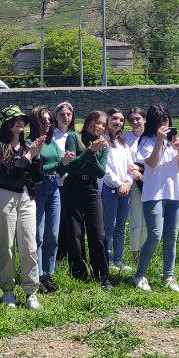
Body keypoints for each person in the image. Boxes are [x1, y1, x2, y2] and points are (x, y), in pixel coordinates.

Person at [0, 105, 45, 309]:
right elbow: (10, 171)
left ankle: (31, 292)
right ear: (6, 123)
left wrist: (36, 156)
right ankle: (8, 290)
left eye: (23, 120)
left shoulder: (28, 146)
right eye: (16, 119)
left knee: (29, 244)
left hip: (26, 197)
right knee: (6, 245)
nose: (21, 122)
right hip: (3, 196)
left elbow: (37, 176)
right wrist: (29, 156)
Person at [133, 104, 179, 293]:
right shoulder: (146, 141)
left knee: (171, 236)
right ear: (152, 123)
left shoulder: (173, 141)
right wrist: (159, 140)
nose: (163, 125)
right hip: (153, 194)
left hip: (174, 194)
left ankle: (168, 276)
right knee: (155, 234)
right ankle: (140, 275)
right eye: (159, 121)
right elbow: (152, 163)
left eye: (165, 120)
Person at [59, 110, 112, 287]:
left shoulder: (103, 145)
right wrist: (90, 151)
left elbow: (100, 172)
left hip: (91, 188)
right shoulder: (74, 137)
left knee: (98, 233)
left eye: (104, 124)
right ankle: (79, 274)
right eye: (98, 122)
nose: (101, 127)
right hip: (73, 187)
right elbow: (71, 166)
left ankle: (103, 275)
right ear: (89, 121)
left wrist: (92, 153)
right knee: (75, 233)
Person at [33, 103, 77, 293]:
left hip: (54, 190)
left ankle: (48, 274)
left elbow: (60, 169)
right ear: (35, 121)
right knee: (38, 234)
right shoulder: (32, 142)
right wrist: (59, 164)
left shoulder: (51, 143)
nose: (48, 123)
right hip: (38, 190)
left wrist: (65, 162)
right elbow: (36, 170)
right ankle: (36, 275)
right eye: (43, 120)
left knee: (52, 234)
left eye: (49, 120)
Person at [99, 108, 135, 272]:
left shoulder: (123, 142)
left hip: (125, 190)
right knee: (109, 227)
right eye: (114, 118)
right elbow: (105, 168)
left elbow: (130, 166)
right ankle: (107, 260)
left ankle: (118, 260)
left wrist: (127, 182)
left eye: (121, 120)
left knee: (120, 226)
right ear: (107, 119)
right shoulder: (102, 141)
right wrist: (118, 184)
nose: (118, 122)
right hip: (109, 189)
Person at [122, 107, 147, 262]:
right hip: (134, 184)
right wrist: (132, 172)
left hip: (150, 182)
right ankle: (136, 255)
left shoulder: (151, 137)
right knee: (136, 221)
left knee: (147, 223)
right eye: (131, 119)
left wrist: (140, 168)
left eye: (138, 118)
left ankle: (145, 254)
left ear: (145, 119)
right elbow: (123, 160)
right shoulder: (125, 138)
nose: (135, 122)